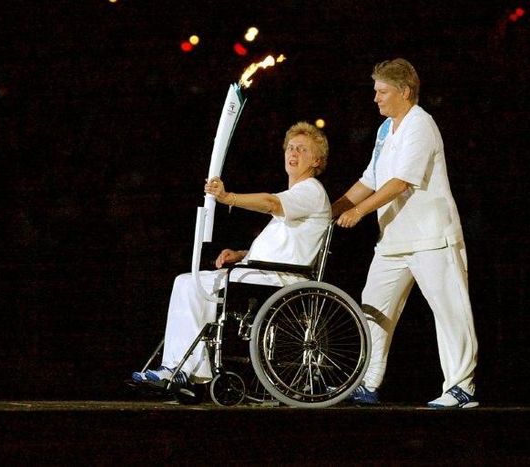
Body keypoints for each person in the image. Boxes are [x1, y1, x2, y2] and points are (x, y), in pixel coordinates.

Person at [132, 122, 331, 393]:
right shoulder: (297, 194)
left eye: (303, 149)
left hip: (279, 280)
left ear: (317, 160)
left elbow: (271, 203)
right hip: (263, 272)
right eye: (291, 147)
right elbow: (284, 245)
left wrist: (228, 198)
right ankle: (185, 369)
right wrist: (242, 254)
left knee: (190, 284)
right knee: (190, 282)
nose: (293, 153)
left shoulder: (310, 190)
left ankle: (182, 369)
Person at [332, 58, 478, 408]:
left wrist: (358, 212)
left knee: (449, 312)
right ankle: (368, 383)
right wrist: (331, 209)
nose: (376, 99)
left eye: (382, 92)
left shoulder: (421, 124)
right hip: (393, 240)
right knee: (373, 309)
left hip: (432, 239)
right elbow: (371, 179)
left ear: (405, 92)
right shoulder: (386, 130)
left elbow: (400, 181)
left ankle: (461, 387)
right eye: (375, 91)